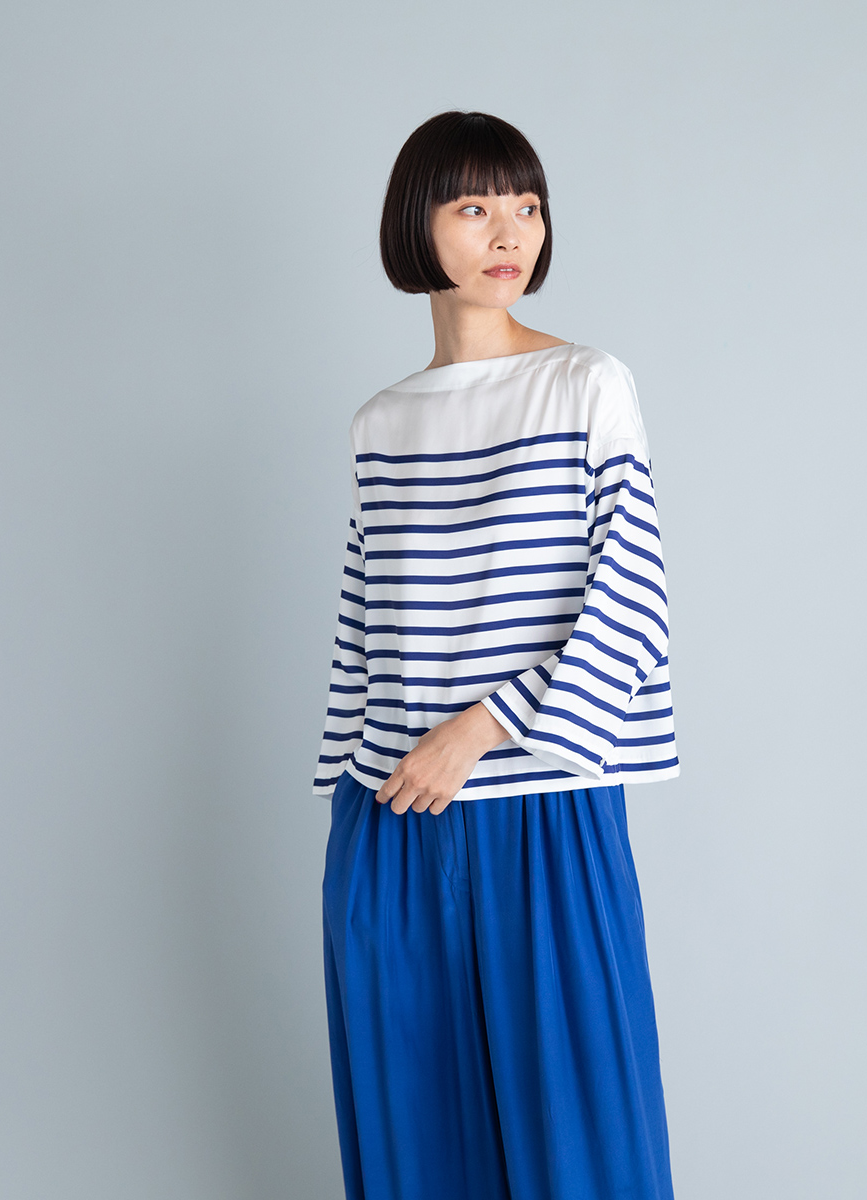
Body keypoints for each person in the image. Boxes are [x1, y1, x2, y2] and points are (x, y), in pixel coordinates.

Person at [312, 110, 679, 1200]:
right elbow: (365, 628)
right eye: (474, 206)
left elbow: (635, 600)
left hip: (542, 804)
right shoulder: (380, 424)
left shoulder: (585, 384)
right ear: (415, 224)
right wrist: (355, 806)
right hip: (394, 814)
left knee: (583, 1150)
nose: (510, 231)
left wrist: (479, 730)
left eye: (527, 206)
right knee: (416, 1144)